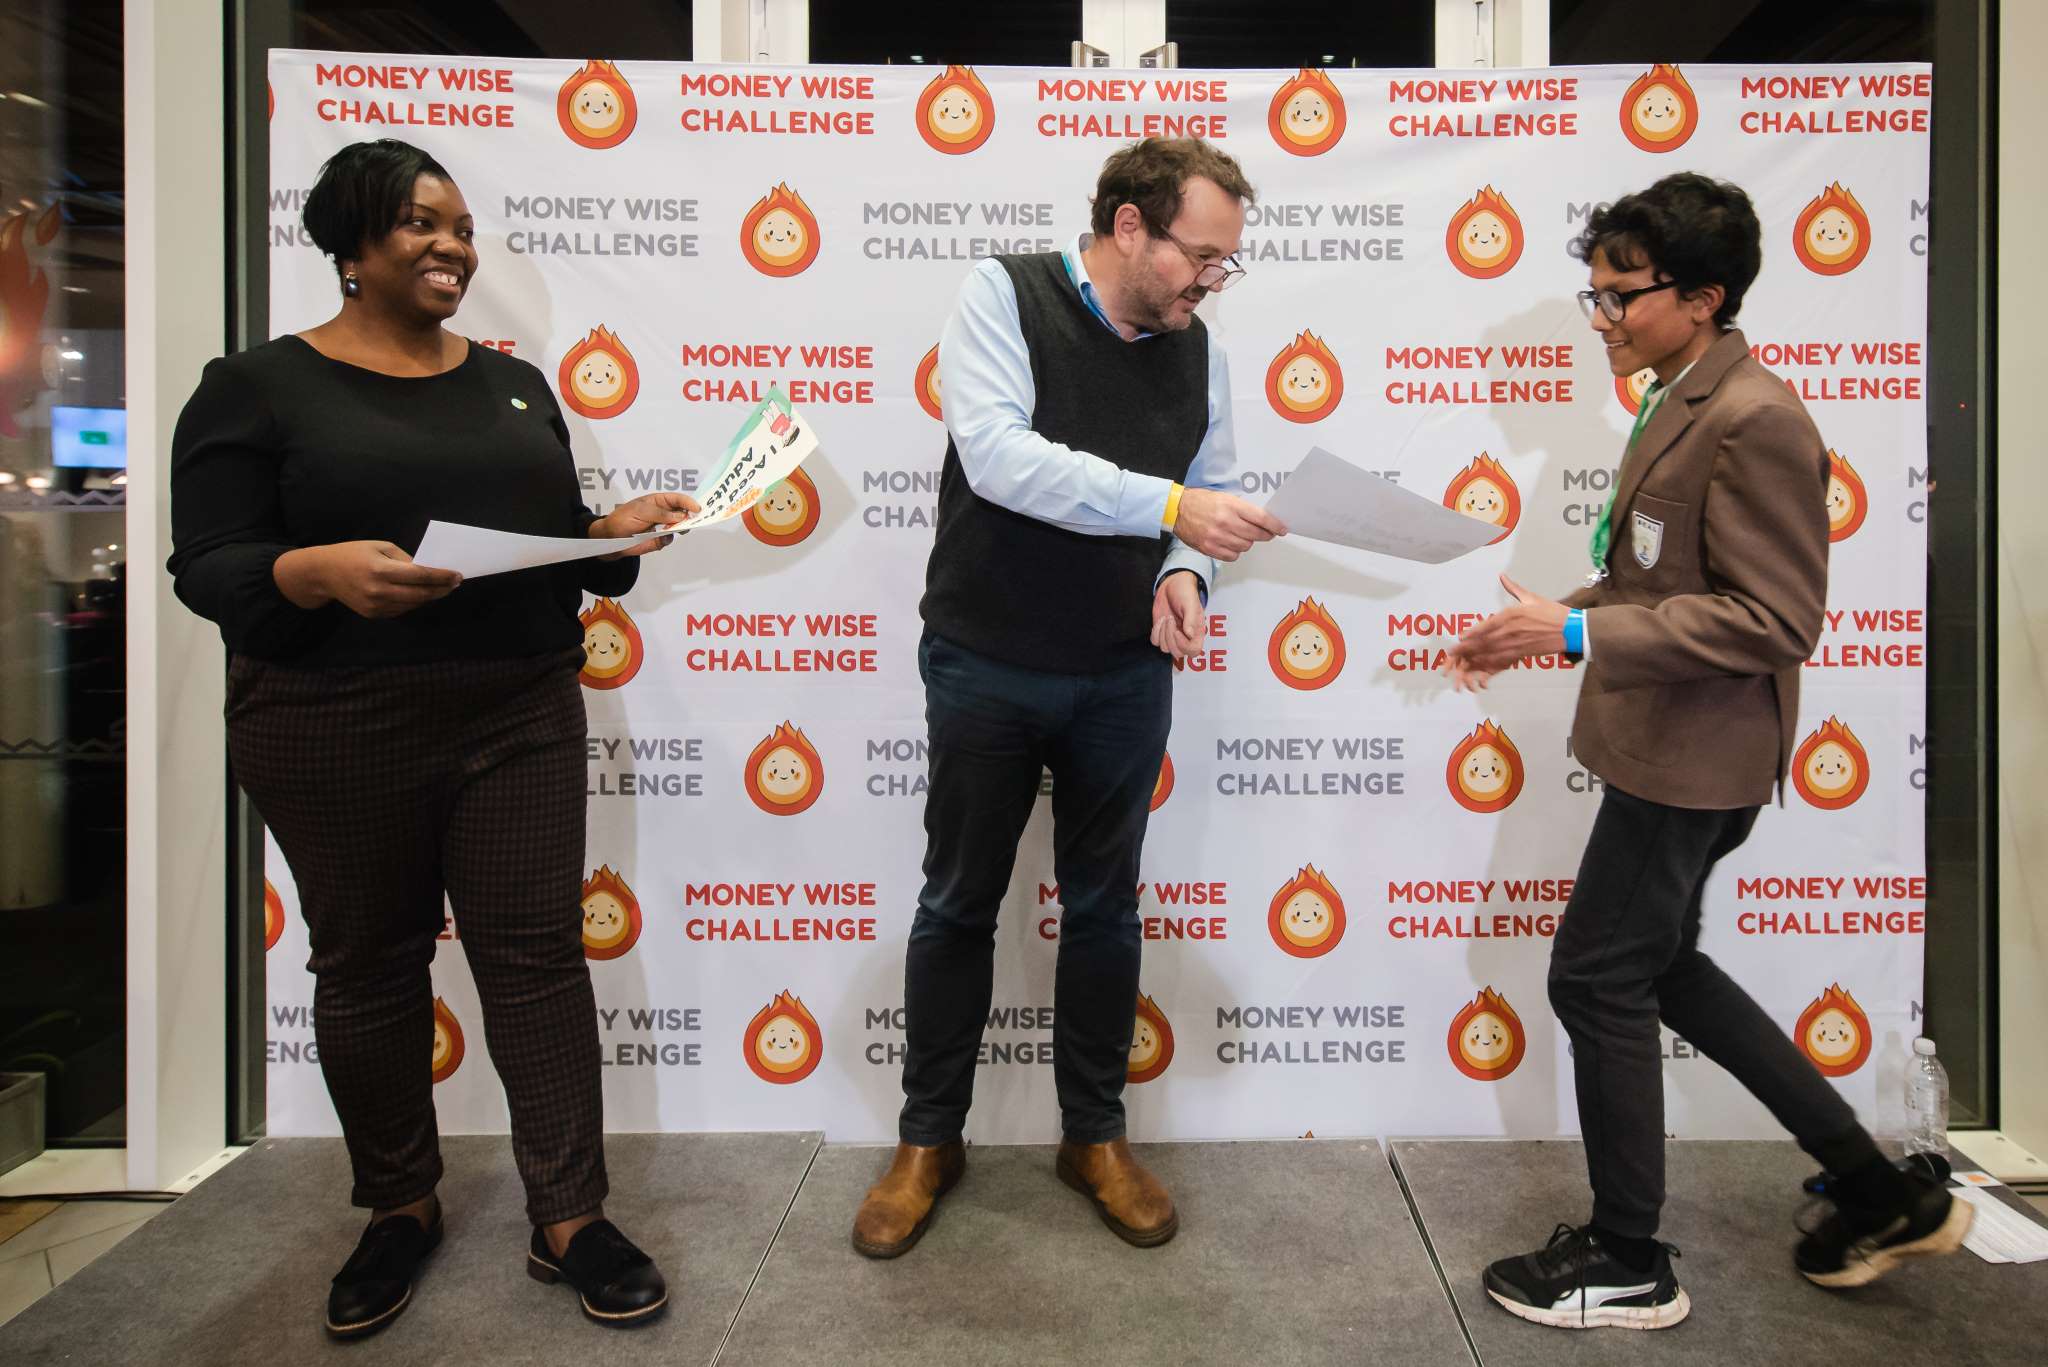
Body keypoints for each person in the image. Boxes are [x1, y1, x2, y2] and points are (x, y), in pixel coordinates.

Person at [167, 139, 689, 1336]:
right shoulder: (254, 387)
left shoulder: (512, 386)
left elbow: (550, 535)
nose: (451, 244)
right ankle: (398, 1203)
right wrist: (309, 569)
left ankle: (569, 1216)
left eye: (459, 225)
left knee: (536, 960)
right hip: (329, 716)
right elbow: (209, 565)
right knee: (367, 965)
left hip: (516, 705)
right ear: (350, 246)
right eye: (418, 223)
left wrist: (611, 530)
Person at [1446, 172, 1968, 1330]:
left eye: (1620, 297)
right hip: (1662, 741)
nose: (1602, 320)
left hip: (1694, 757)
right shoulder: (1680, 393)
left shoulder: (1754, 416)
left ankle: (1626, 1256)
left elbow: (1774, 619)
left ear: (1702, 296)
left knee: (1593, 975)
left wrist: (1578, 628)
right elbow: (1657, 581)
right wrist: (1543, 624)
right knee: (1663, 967)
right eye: (1594, 296)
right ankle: (1879, 1188)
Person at [851, 138, 1287, 1258]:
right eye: (1202, 255)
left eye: (1225, 264)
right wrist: (1173, 513)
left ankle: (1091, 1134)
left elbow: (1215, 487)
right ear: (1129, 228)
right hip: (986, 657)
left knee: (1103, 908)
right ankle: (926, 1139)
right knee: (957, 901)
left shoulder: (1204, 352)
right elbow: (998, 457)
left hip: (1120, 671)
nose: (1210, 281)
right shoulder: (1002, 291)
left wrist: (1187, 568)